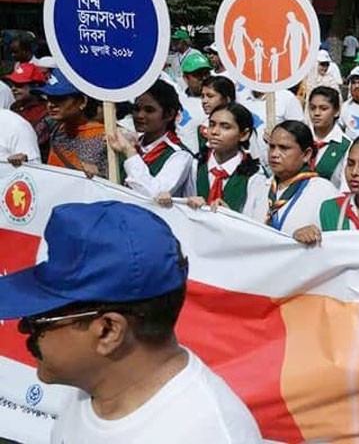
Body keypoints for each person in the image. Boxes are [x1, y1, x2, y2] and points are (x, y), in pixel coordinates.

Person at [0, 201, 263, 442]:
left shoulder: (209, 435)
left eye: (38, 319)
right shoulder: (90, 386)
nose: (24, 328)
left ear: (108, 331)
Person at [108, 80, 194, 197]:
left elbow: (154, 195)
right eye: (136, 109)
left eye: (149, 110)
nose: (140, 115)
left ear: (169, 114)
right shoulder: (132, 145)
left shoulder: (180, 155)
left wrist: (129, 152)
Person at [186, 103, 268, 217]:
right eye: (211, 125)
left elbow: (255, 221)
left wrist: (230, 217)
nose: (214, 132)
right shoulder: (196, 164)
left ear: (244, 134)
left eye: (225, 127)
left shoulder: (255, 175)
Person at [264, 121, 339, 243]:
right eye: (272, 147)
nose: (274, 154)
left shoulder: (324, 191)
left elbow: (337, 238)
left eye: (284, 148)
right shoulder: (258, 186)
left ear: (306, 155)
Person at [34, 69, 108, 178]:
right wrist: (25, 164)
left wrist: (99, 176)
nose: (50, 104)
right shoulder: (56, 129)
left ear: (82, 101)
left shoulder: (106, 136)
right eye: (49, 98)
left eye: (59, 98)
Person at [4, 62, 51, 160]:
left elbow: (32, 140)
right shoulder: (14, 107)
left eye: (19, 85)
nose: (13, 89)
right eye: (13, 84)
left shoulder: (47, 111)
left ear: (35, 86)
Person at [307, 86, 351, 189]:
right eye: (312, 108)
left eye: (323, 108)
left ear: (336, 111)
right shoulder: (300, 138)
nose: (316, 113)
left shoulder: (346, 146)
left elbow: (345, 186)